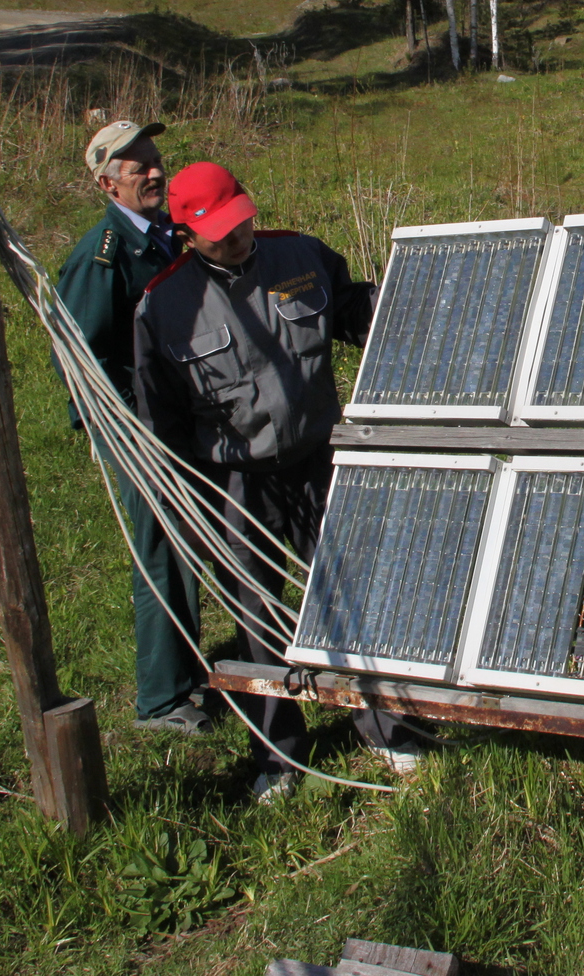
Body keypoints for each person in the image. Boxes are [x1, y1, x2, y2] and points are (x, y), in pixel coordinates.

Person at [132, 161, 425, 800]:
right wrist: (192, 502)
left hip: (321, 458)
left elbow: (351, 312)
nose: (236, 239)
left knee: (349, 591)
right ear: (186, 231)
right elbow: (163, 420)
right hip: (239, 479)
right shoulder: (164, 306)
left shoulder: (300, 254)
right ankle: (278, 755)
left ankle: (384, 725)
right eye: (218, 234)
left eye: (241, 224)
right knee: (257, 609)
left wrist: (409, 297)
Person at [54, 119, 212, 736]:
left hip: (187, 417)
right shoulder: (104, 256)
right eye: (136, 167)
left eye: (155, 159)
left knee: (191, 543)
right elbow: (79, 356)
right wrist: (128, 429)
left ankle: (192, 671)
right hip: (141, 431)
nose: (154, 172)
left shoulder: (169, 235)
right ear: (106, 184)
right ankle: (162, 699)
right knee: (162, 554)